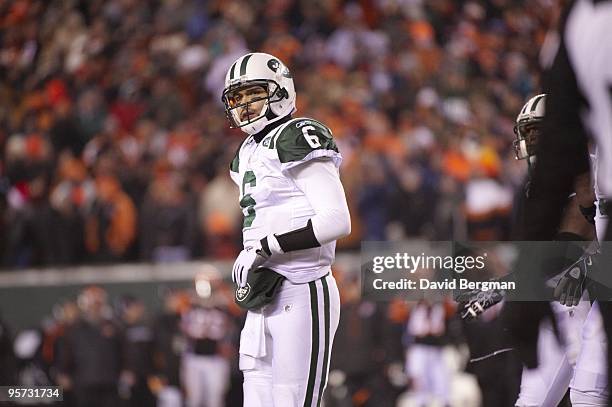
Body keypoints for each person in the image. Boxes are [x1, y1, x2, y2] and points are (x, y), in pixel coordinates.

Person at [222, 52, 351, 406]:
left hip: (302, 285)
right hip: (264, 295)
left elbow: (337, 220)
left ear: (281, 91)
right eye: (238, 98)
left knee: (292, 401)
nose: (245, 105)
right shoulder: (247, 151)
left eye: (253, 94)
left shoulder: (297, 134)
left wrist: (266, 246)